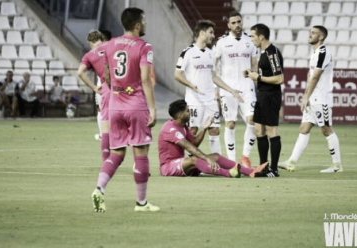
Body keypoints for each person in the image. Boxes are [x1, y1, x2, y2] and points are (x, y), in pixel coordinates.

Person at [91, 7, 159, 213]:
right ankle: (141, 203)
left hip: (115, 105)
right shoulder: (144, 46)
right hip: (135, 105)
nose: (146, 24)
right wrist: (153, 109)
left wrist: (117, 91)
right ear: (137, 25)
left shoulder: (110, 45)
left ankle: (99, 189)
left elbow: (107, 75)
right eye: (144, 21)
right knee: (141, 153)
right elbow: (146, 79)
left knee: (116, 153)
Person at [278, 26, 342, 173]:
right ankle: (291, 161)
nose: (310, 35)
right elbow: (309, 76)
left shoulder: (323, 52)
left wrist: (306, 96)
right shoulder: (314, 53)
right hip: (313, 98)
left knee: (326, 130)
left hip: (322, 99)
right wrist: (306, 94)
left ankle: (337, 165)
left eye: (313, 33)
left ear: (321, 37)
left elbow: (316, 76)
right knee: (304, 128)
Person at [174, 20, 244, 155]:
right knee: (193, 130)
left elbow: (214, 77)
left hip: (210, 100)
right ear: (201, 33)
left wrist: (231, 90)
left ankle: (216, 162)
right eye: (210, 32)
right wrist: (190, 85)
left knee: (215, 130)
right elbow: (177, 75)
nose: (213, 36)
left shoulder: (211, 53)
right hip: (194, 100)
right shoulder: (187, 52)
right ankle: (190, 163)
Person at [158, 99, 272, 178]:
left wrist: (204, 129)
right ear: (179, 115)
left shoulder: (183, 126)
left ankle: (252, 171)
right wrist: (206, 159)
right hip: (168, 167)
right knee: (194, 158)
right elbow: (190, 149)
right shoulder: (170, 129)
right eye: (187, 111)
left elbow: (194, 143)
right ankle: (229, 173)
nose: (190, 112)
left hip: (181, 164)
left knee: (215, 156)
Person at [214, 11, 258, 167]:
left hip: (247, 87)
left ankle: (245, 157)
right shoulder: (222, 42)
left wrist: (255, 84)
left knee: (252, 120)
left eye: (239, 22)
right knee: (230, 123)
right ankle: (232, 161)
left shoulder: (251, 41)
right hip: (228, 88)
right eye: (233, 23)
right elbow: (214, 65)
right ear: (228, 25)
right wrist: (216, 87)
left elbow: (254, 65)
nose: (237, 25)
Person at [245, 23, 284, 177]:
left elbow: (280, 78)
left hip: (270, 95)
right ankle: (263, 166)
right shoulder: (262, 53)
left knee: (271, 131)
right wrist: (252, 73)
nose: (252, 39)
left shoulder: (272, 53)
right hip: (262, 94)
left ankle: (274, 169)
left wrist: (258, 77)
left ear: (261, 37)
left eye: (253, 36)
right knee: (258, 130)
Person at [78, 30, 109, 161]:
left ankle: (107, 158)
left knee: (103, 115)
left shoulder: (90, 54)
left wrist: (94, 88)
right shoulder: (113, 46)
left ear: (90, 42)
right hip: (123, 86)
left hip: (104, 87)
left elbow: (80, 73)